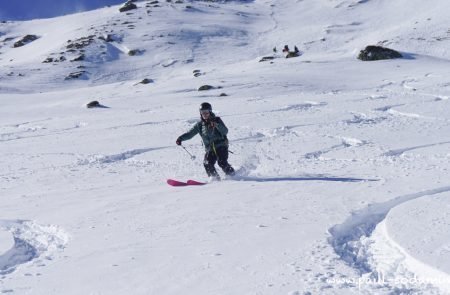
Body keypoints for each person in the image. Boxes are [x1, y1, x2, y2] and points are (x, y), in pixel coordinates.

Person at [176, 102, 235, 181]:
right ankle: (215, 179)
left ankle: (233, 176)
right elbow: (190, 134)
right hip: (210, 148)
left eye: (206, 112)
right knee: (207, 163)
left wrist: (217, 124)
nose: (204, 114)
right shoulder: (200, 125)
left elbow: (225, 131)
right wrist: (180, 138)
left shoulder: (217, 120)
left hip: (221, 146)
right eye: (202, 112)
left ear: (210, 112)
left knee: (222, 163)